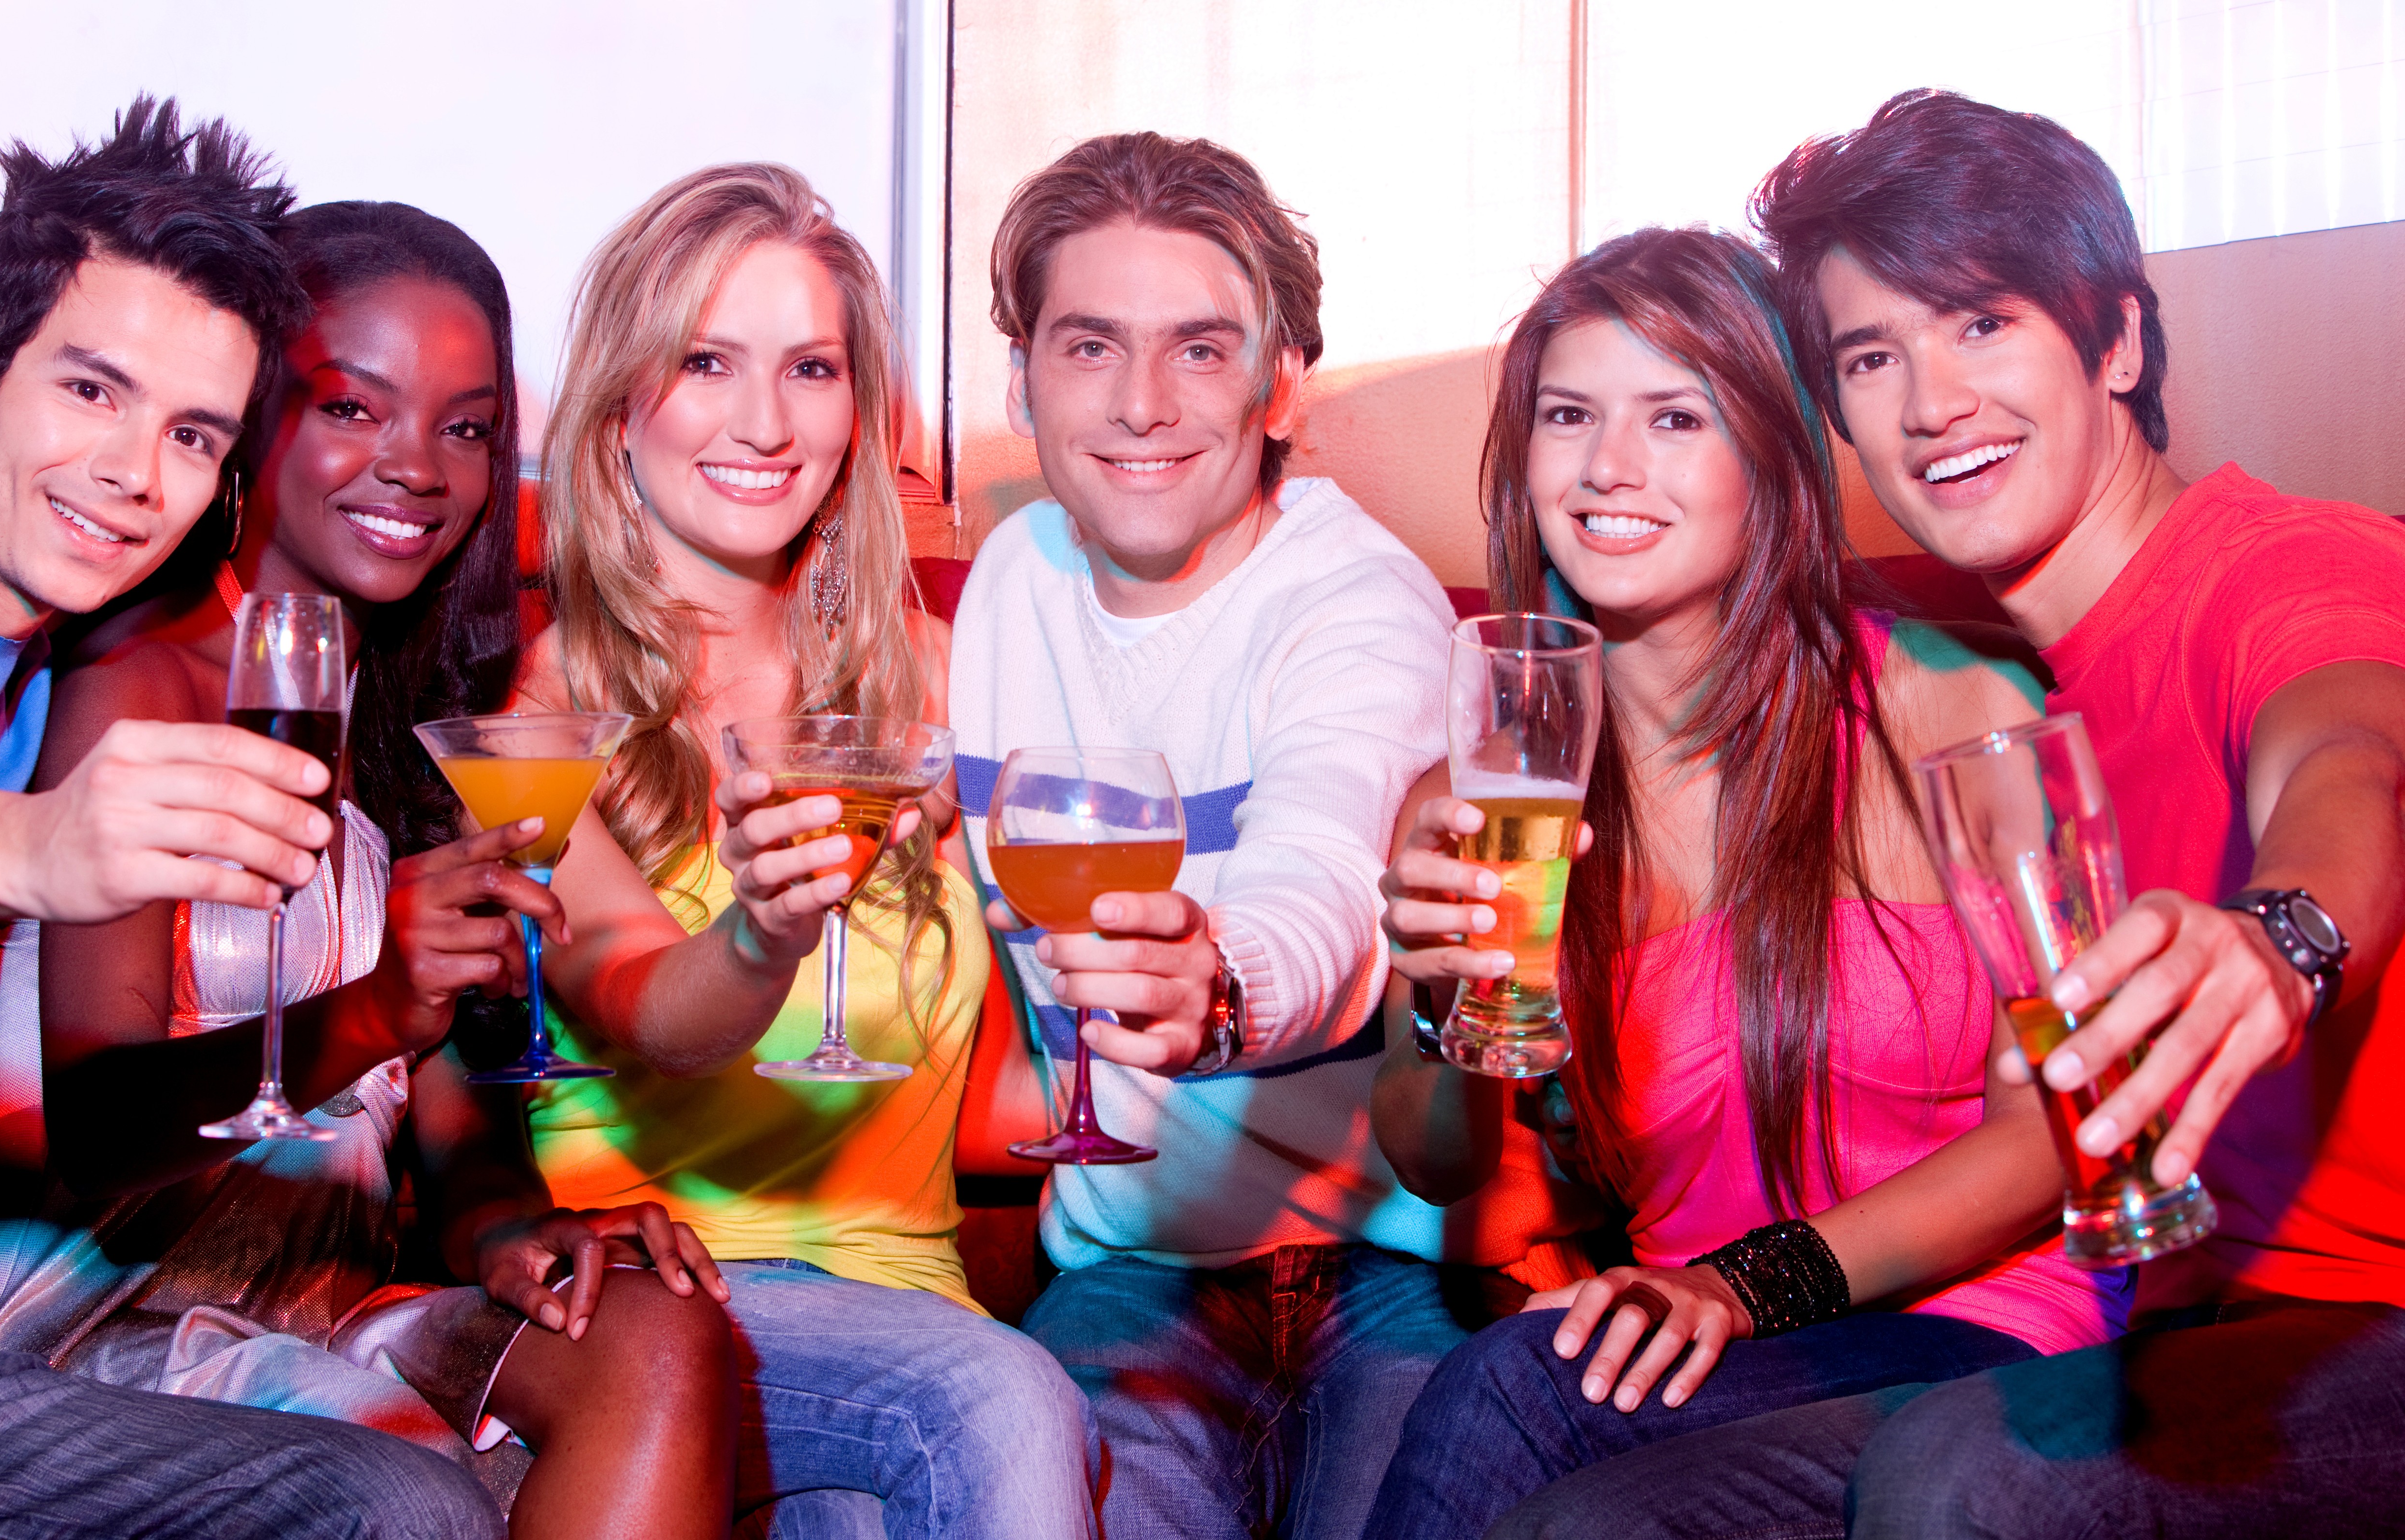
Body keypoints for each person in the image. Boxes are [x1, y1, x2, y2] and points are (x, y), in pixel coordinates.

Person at [1492, 91, 2405, 1540]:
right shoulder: (2004, 704)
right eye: (1875, 355)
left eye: (1984, 322)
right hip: (2175, 1329)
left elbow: (2351, 754)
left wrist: (2283, 934)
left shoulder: (2278, 570)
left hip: (2367, 1311)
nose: (1932, 403)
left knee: (1959, 1475)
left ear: (2118, 342)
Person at [0, 99, 506, 1538]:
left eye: (192, 433)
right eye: (92, 391)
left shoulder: (58, 656)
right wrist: (34, 848)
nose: (136, 472)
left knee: (401, 1505)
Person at [0, 199, 737, 1538]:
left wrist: (516, 1234)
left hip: (313, 1311)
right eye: (355, 407)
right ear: (252, 419)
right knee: (408, 1492)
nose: (415, 466)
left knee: (654, 1333)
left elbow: (461, 1140)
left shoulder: (418, 727)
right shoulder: (142, 687)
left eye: (465, 428)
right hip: (90, 1325)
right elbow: (96, 1125)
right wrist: (368, 1009)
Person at [1354, 224, 2123, 1539]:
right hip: (1703, 1355)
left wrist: (1742, 1285)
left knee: (1516, 1400)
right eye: (1569, 415)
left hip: (1990, 1330)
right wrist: (1437, 1003)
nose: (1609, 466)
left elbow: (2071, 1121)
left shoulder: (1950, 706)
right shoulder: (1480, 792)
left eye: (1675, 417)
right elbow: (1437, 1162)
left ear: (1771, 455)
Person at [949, 130, 1594, 1540]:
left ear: (1282, 380)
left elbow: (1323, 878)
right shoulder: (1005, 587)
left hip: (1396, 1266)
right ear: (1022, 377)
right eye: (1089, 346)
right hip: (1129, 1270)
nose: (1140, 404)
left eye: (1200, 349)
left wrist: (1220, 987)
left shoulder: (1354, 603)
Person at [448, 162, 1096, 1538]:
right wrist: (761, 931)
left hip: (916, 1311)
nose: (764, 420)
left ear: (859, 415)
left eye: (810, 368)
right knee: (999, 1403)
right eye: (707, 362)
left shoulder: (946, 679)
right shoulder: (533, 721)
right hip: (656, 1305)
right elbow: (646, 1008)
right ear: (620, 408)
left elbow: (1019, 1073)